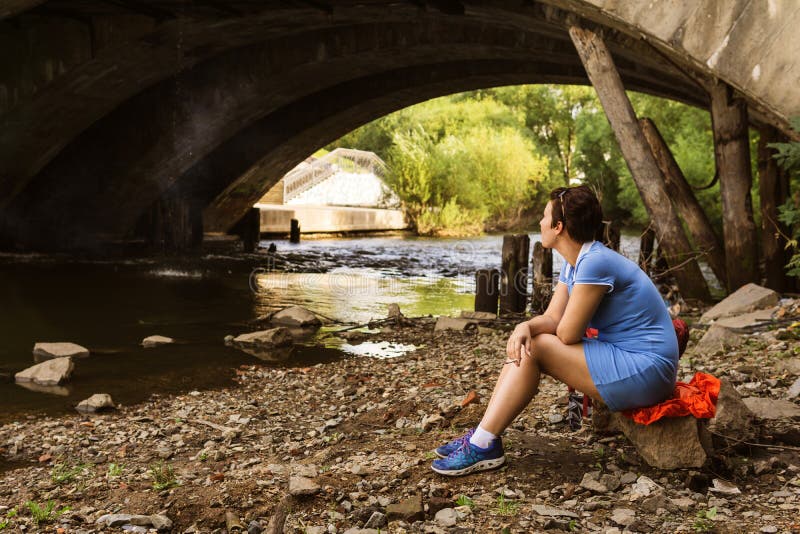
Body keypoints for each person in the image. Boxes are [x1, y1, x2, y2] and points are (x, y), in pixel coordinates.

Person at [431, 185, 679, 476]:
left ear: (558, 226)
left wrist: (532, 333)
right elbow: (551, 317)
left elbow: (567, 334)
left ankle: (484, 443)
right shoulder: (575, 263)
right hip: (629, 358)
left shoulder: (595, 262)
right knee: (530, 339)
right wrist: (523, 325)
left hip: (647, 369)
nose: (540, 222)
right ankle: (482, 436)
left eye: (544, 216)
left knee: (536, 346)